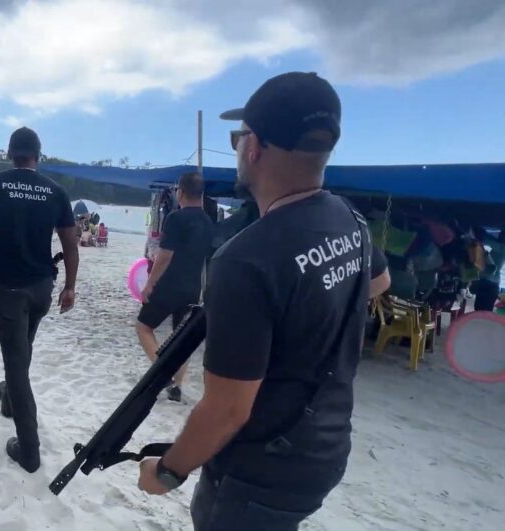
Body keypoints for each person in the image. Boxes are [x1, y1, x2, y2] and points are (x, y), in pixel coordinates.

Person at [137, 72, 391, 531]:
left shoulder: (247, 259)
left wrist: (168, 471)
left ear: (252, 147)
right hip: (325, 451)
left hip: (260, 473)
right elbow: (379, 281)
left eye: (237, 138)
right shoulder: (349, 219)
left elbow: (226, 410)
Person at [0, 127, 79, 474]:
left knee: (16, 365)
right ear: (38, 155)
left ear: (9, 154)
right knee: (22, 350)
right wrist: (70, 286)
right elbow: (71, 245)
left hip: (9, 289)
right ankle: (9, 402)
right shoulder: (55, 191)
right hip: (42, 287)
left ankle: (29, 450)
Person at [136, 172, 213, 402]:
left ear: (180, 191)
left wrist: (150, 284)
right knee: (181, 339)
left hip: (169, 285)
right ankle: (176, 386)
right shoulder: (208, 222)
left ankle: (164, 375)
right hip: (192, 288)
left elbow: (165, 256)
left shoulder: (175, 218)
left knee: (143, 327)